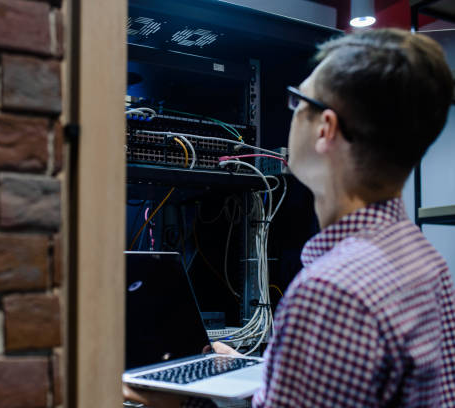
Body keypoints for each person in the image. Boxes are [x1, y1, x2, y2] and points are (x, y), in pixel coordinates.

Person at [123, 28, 455, 407]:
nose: (291, 112)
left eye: (298, 101)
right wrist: (275, 372)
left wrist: (183, 403)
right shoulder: (423, 259)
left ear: (325, 130)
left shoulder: (330, 292)